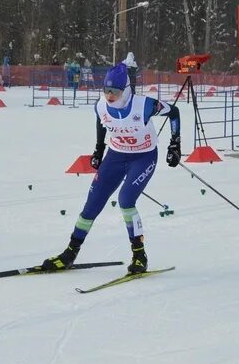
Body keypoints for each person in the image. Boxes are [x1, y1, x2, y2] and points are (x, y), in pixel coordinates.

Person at [42, 62, 181, 274]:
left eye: (114, 91)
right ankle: (70, 253)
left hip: (143, 157)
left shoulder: (144, 105)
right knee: (91, 205)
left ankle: (139, 255)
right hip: (115, 156)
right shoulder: (100, 105)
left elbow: (174, 112)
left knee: (126, 201)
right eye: (106, 90)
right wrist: (98, 149)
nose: (109, 96)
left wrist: (175, 144)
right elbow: (101, 121)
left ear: (125, 90)